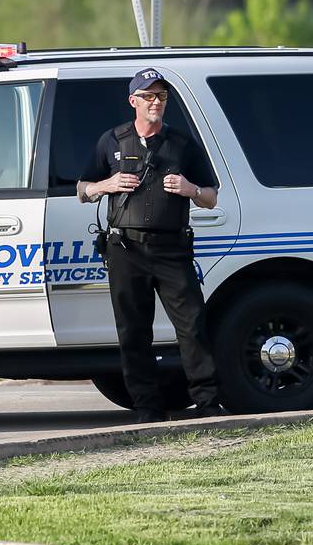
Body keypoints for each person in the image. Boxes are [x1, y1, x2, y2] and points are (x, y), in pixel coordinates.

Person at [78, 68, 225, 423]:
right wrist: (106, 184)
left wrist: (191, 190)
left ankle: (206, 403)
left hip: (172, 249)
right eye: (148, 96)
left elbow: (211, 197)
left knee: (191, 324)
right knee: (133, 329)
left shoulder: (182, 144)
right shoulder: (111, 140)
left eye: (161, 96)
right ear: (134, 102)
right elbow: (82, 189)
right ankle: (147, 407)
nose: (156, 102)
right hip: (126, 249)